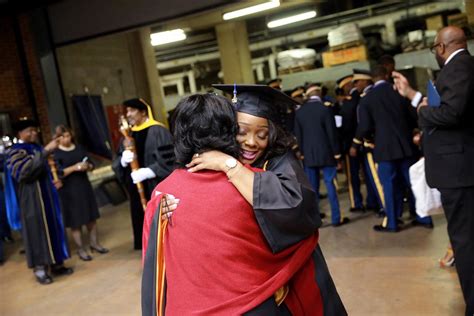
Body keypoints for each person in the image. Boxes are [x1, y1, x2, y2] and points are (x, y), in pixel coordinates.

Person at [142, 90, 346, 315]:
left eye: (262, 134)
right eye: (241, 131)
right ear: (227, 130)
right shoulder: (187, 177)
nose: (251, 142)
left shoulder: (277, 163)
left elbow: (298, 216)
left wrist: (230, 165)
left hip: (283, 287)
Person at [392, 25, 474, 314]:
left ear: (441, 48)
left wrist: (423, 113)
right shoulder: (461, 68)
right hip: (459, 168)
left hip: (459, 171)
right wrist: (414, 96)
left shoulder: (460, 67)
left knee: (464, 242)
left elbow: (451, 113)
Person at [352, 66, 432, 232]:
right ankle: (424, 217)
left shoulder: (367, 99)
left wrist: (358, 142)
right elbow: (413, 115)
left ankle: (393, 223)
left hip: (384, 149)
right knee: (413, 183)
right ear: (387, 76)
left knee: (388, 186)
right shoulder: (398, 91)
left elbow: (365, 126)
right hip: (406, 146)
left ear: (372, 79)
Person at [4, 119, 72, 284]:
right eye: (30, 131)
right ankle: (40, 268)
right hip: (32, 199)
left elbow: (52, 168)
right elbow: (23, 172)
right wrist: (45, 151)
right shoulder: (14, 152)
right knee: (36, 232)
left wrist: (59, 177)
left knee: (53, 228)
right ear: (20, 134)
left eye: (35, 130)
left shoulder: (37, 148)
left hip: (48, 196)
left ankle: (56, 264)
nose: (34, 133)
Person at [112, 98, 174, 250]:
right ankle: (147, 249)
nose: (129, 114)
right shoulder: (128, 134)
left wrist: (150, 171)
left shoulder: (158, 131)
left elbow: (171, 159)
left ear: (143, 112)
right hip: (136, 189)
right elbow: (117, 160)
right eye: (127, 111)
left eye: (132, 110)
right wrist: (123, 161)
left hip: (154, 186)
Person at [295, 83, 348, 227]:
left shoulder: (300, 112)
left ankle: (316, 220)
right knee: (331, 186)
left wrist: (302, 153)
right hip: (327, 155)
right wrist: (337, 155)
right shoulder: (326, 109)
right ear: (318, 93)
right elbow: (332, 134)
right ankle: (336, 218)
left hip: (309, 156)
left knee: (313, 190)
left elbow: (298, 136)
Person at [54, 125, 108, 261]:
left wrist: (87, 166)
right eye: (63, 137)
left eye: (68, 136)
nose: (67, 139)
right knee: (75, 221)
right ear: (58, 138)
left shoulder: (79, 148)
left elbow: (91, 164)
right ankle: (80, 249)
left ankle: (94, 243)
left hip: (84, 186)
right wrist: (74, 168)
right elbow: (58, 173)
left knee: (91, 217)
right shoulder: (56, 154)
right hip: (69, 190)